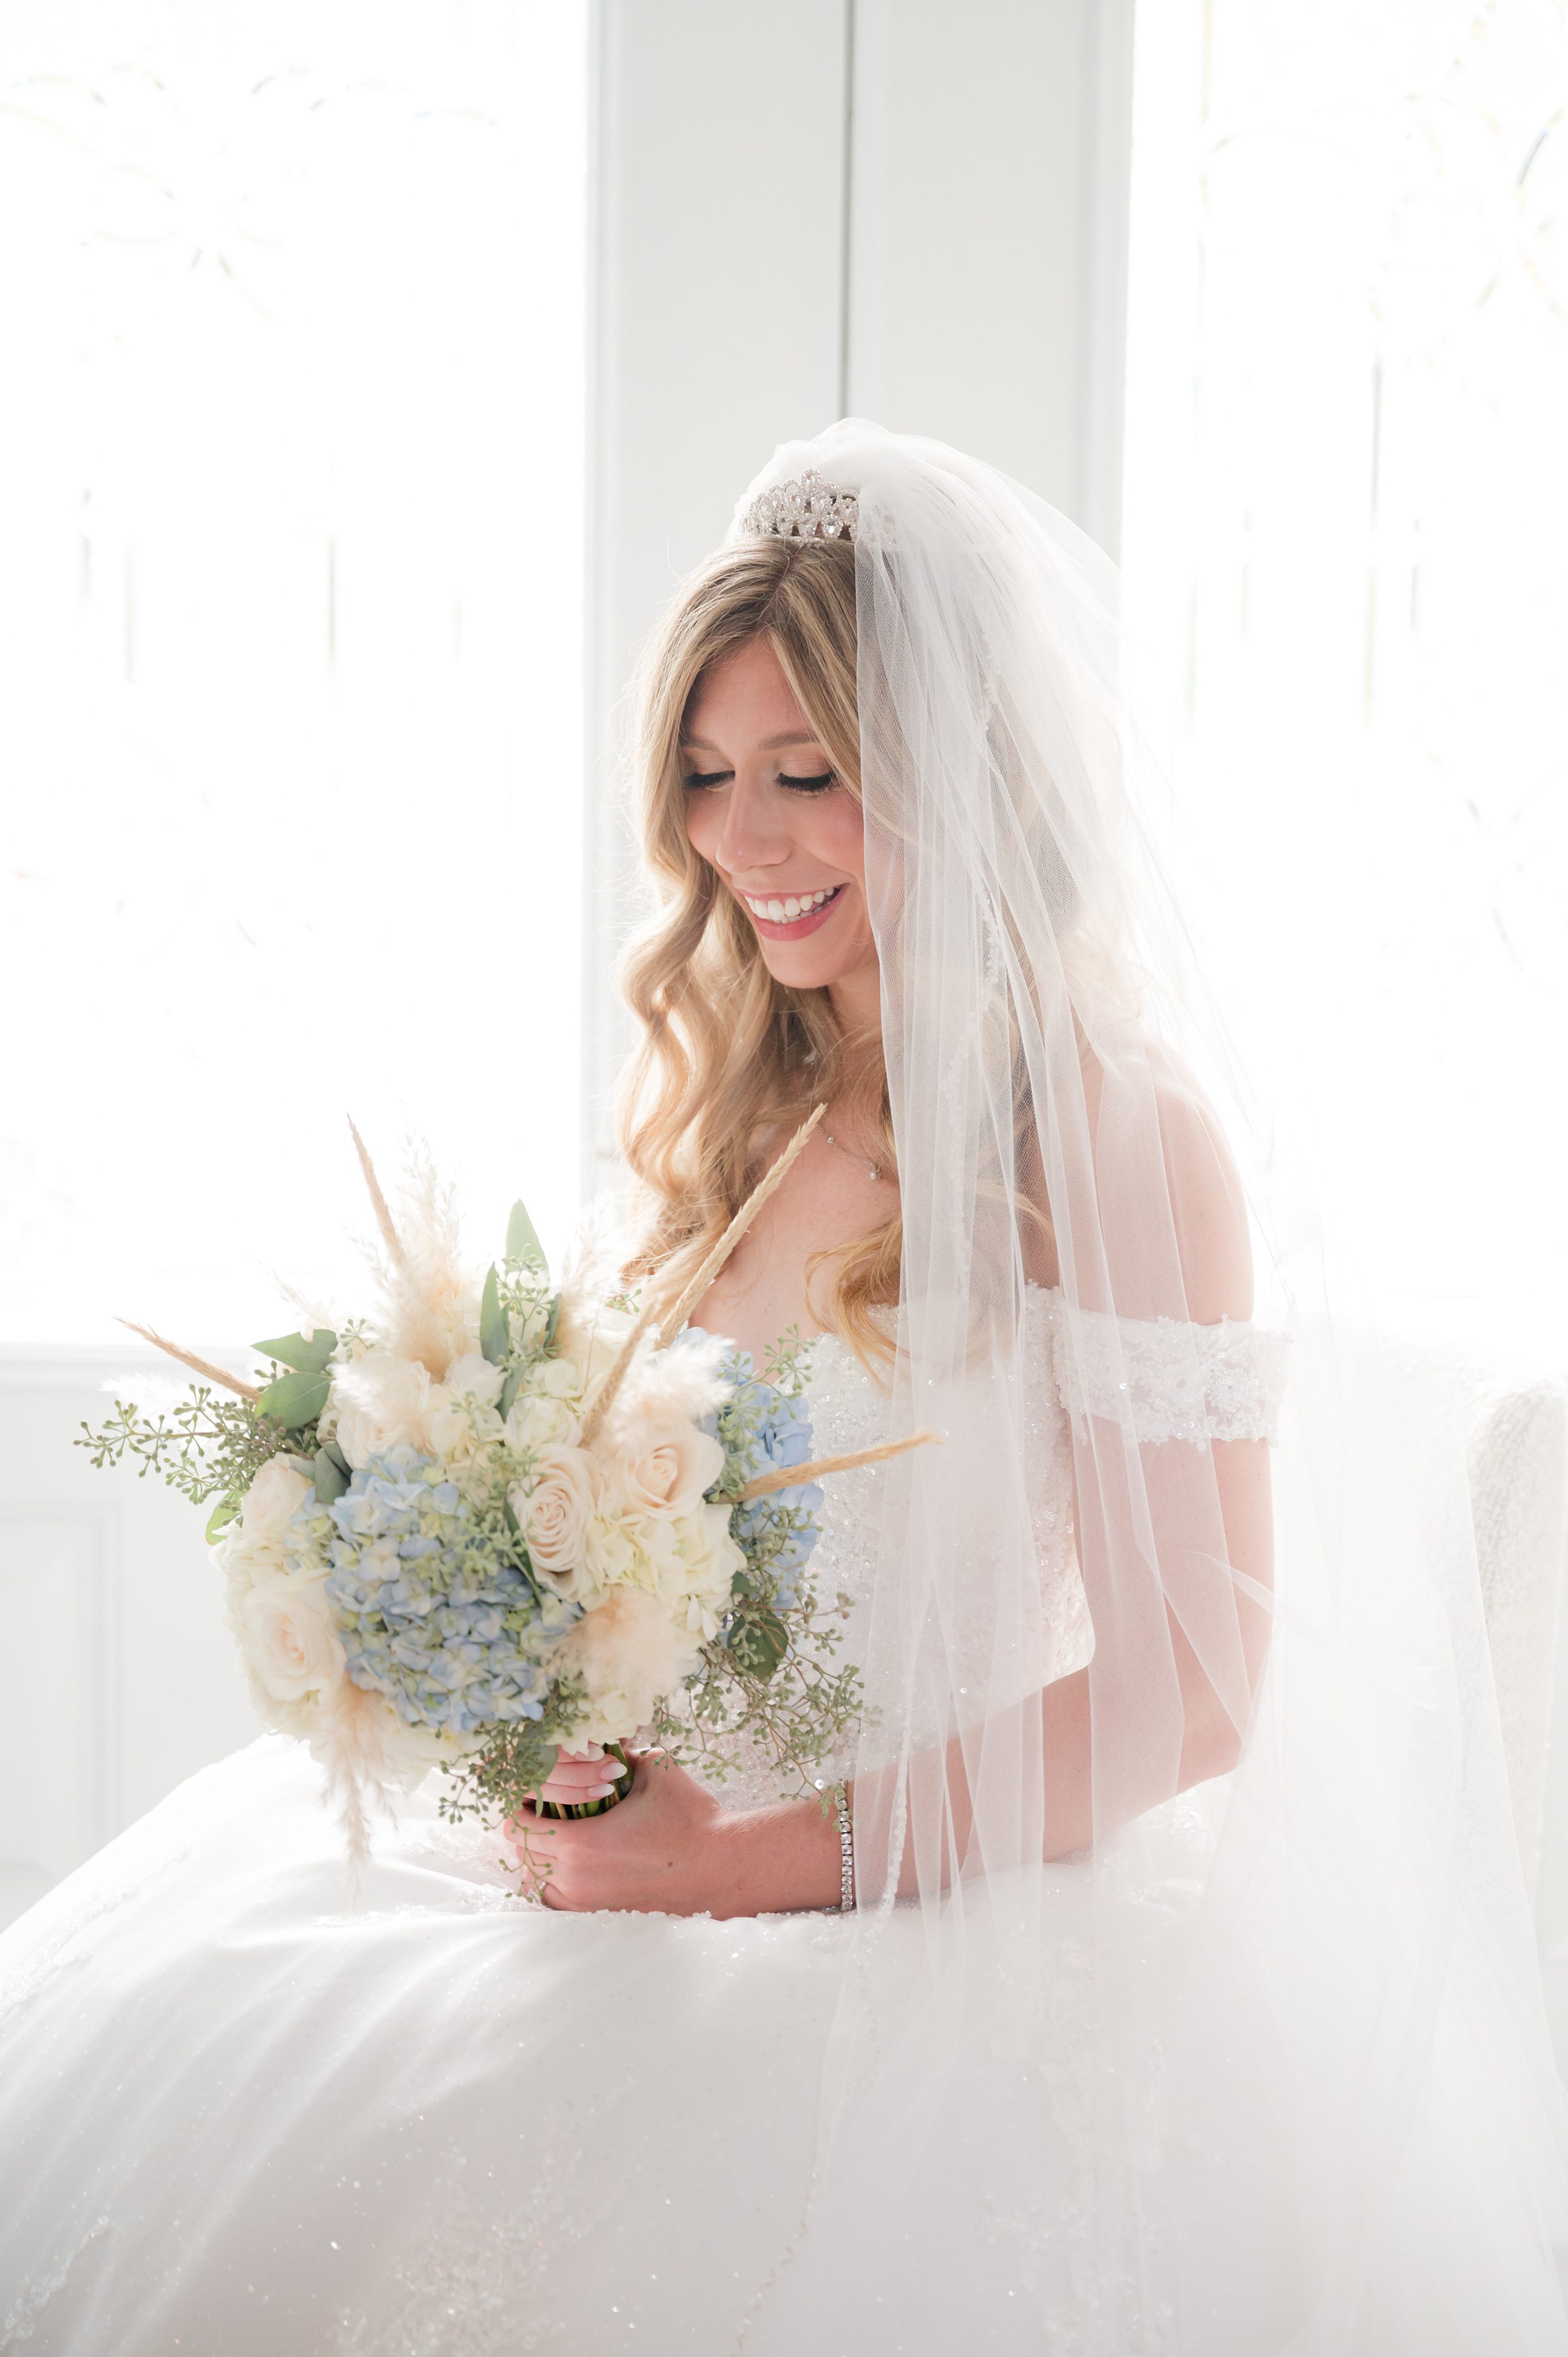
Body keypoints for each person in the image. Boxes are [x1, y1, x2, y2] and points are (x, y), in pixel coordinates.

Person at [1, 421, 1565, 2354]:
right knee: (221, 2024)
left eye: (810, 777)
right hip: (666, 1850)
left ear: (970, 783)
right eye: (710, 777)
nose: (745, 842)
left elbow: (1197, 1682)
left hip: (937, 1898)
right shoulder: (760, 1085)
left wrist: (745, 1867)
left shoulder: (1116, 1131)